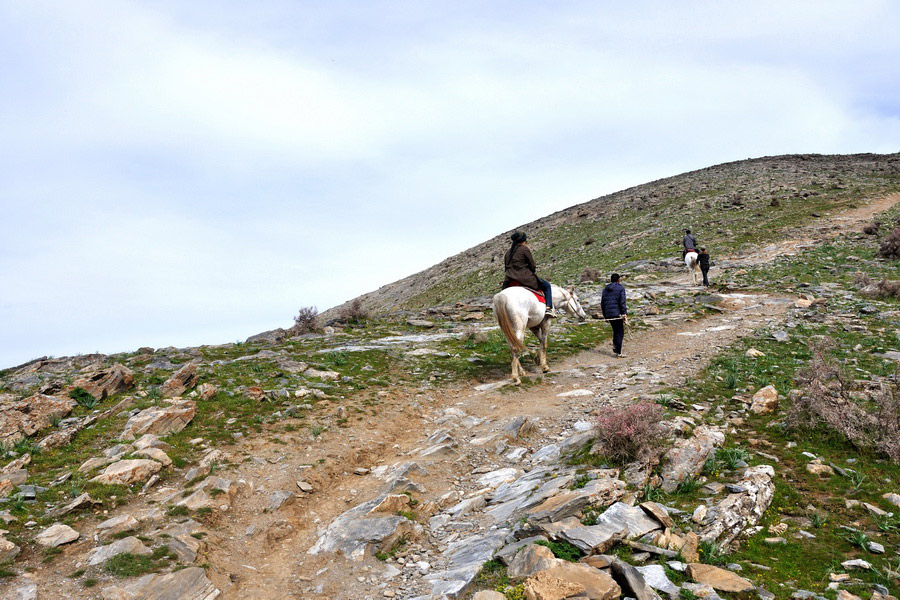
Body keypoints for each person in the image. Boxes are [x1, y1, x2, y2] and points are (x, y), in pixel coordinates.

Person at [502, 231, 556, 318]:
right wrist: (531, 271)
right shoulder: (524, 249)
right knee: (547, 286)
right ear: (523, 241)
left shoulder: (508, 253)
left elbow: (506, 267)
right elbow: (532, 265)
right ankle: (549, 308)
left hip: (509, 280)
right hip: (524, 278)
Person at [600, 273, 628, 357]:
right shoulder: (620, 288)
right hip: (617, 313)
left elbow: (602, 303)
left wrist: (605, 315)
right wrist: (624, 313)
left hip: (609, 313)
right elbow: (622, 302)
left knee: (615, 330)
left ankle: (616, 347)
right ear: (618, 279)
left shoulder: (605, 289)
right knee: (620, 331)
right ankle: (618, 351)